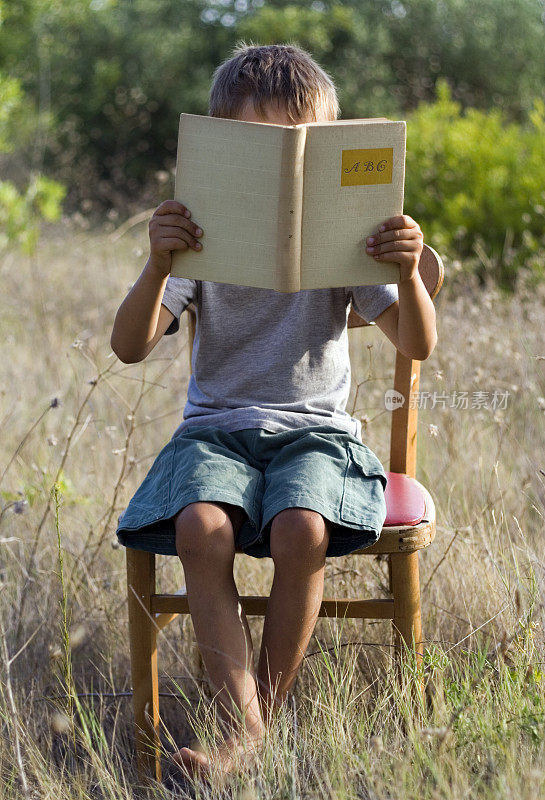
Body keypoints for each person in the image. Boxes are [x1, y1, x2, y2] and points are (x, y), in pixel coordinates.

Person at [111, 42, 437, 782]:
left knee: (301, 529)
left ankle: (251, 728)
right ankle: (247, 732)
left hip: (315, 436)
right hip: (216, 432)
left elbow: (416, 342)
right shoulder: (199, 239)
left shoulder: (343, 240)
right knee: (200, 526)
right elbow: (129, 347)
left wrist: (408, 273)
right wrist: (159, 263)